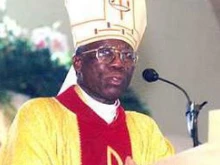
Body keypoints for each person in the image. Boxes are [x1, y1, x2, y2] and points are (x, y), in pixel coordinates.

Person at [0, 0, 174, 164]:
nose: (119, 63)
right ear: (78, 63)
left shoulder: (145, 132)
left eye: (128, 56)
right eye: (105, 53)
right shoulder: (39, 118)